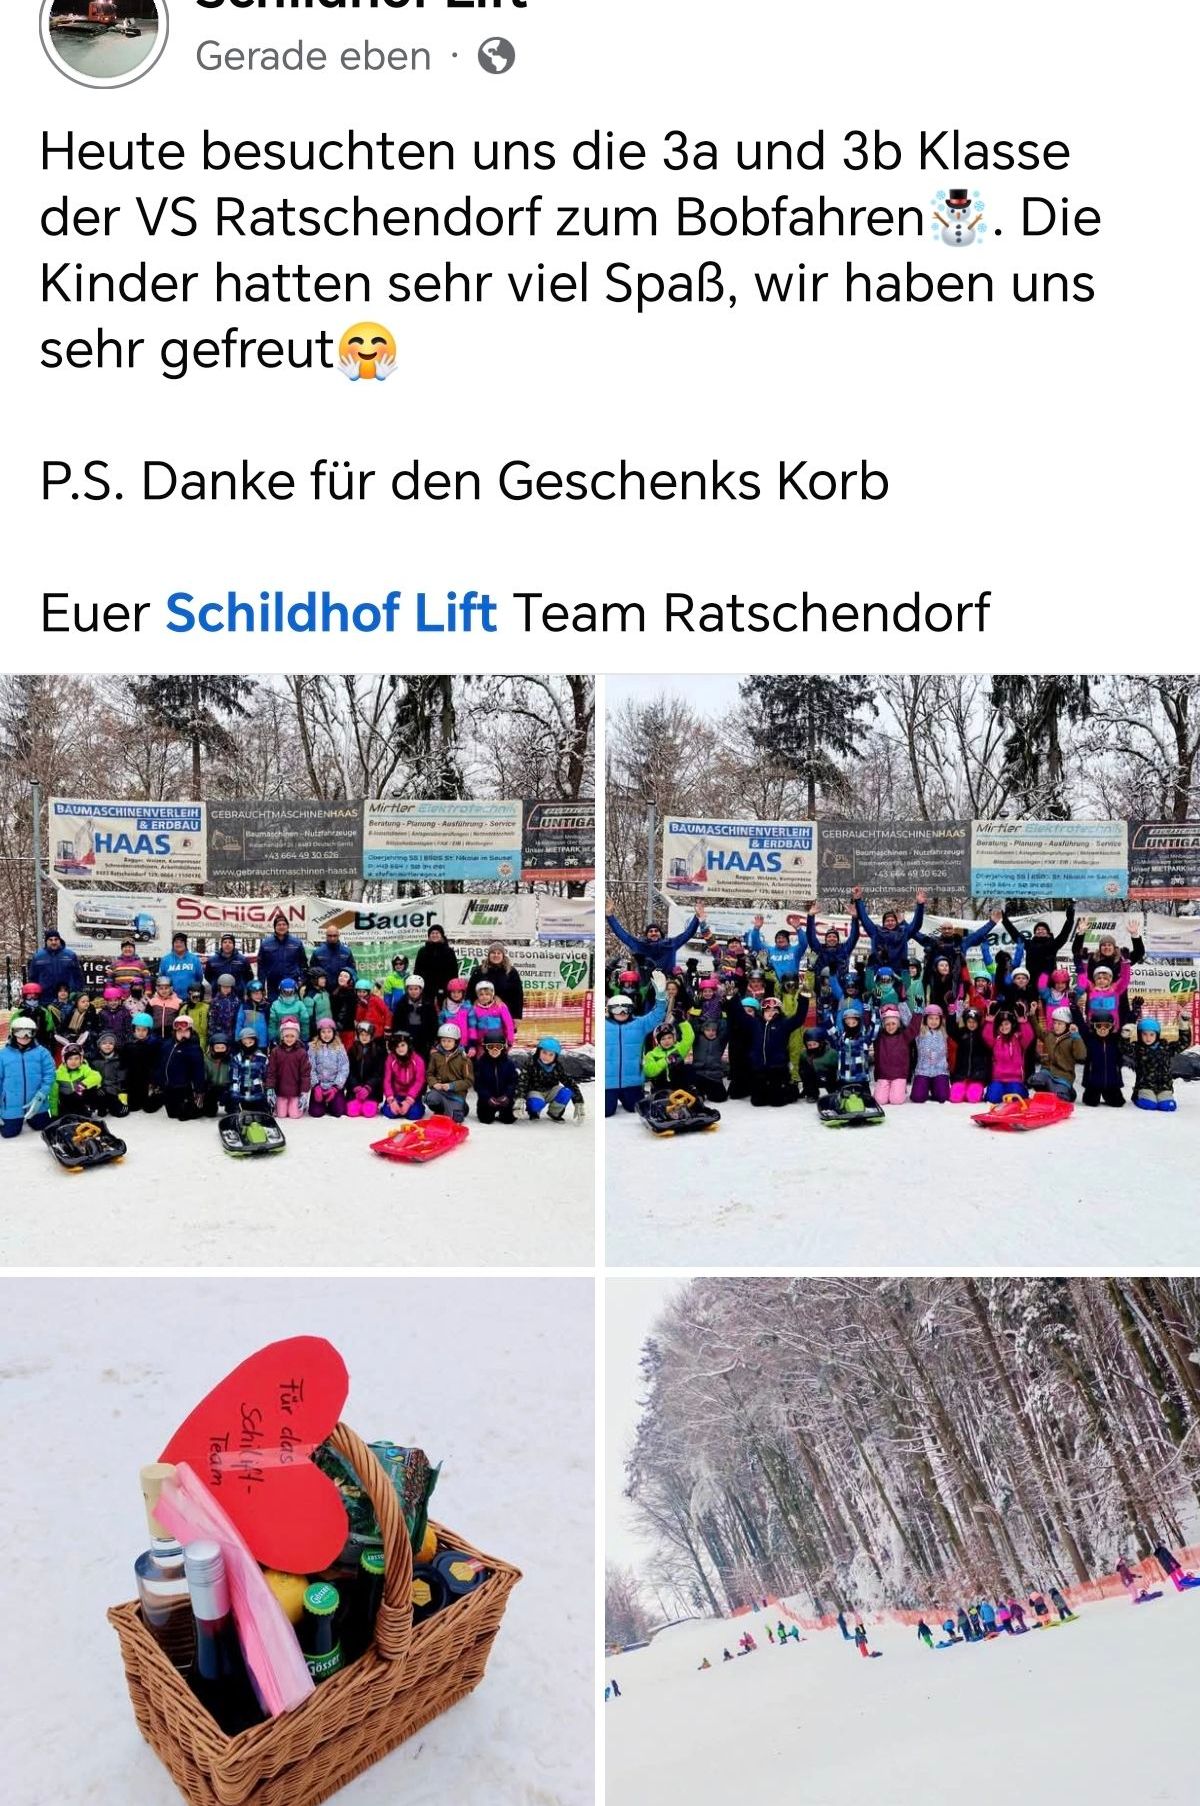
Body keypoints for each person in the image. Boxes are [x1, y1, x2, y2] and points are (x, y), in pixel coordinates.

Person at [605, 899, 707, 987]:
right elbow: (623, 935)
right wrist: (610, 916)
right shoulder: (640, 946)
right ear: (646, 935)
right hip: (647, 986)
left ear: (660, 934)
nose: (654, 933)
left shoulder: (671, 944)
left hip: (668, 985)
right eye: (650, 931)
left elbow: (687, 934)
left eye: (656, 931)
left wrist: (696, 918)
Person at [605, 977, 668, 1116]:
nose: (622, 1013)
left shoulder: (639, 1024)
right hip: (608, 1083)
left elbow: (657, 1015)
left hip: (632, 1080)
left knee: (636, 1109)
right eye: (617, 1009)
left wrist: (661, 996)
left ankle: (629, 1094)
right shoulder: (603, 1025)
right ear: (609, 1010)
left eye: (626, 1009)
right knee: (607, 1112)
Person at [726, 990, 801, 1107]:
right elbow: (740, 1014)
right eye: (767, 1010)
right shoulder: (755, 1023)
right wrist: (733, 998)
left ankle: (791, 1089)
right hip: (759, 1069)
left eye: (774, 1010)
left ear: (779, 1012)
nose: (771, 1013)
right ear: (762, 1012)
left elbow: (799, 1018)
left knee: (777, 1102)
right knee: (757, 1102)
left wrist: (804, 999)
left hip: (777, 1069)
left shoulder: (784, 1024)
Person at [1001, 900, 1076, 988]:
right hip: (1032, 982)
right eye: (1038, 929)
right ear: (1035, 933)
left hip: (1049, 983)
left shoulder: (1053, 945)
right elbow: (1015, 934)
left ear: (1048, 933)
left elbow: (1064, 933)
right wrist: (1005, 920)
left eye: (1043, 929)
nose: (1040, 931)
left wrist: (1070, 919)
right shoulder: (1029, 944)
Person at [853, 887, 926, 974]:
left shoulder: (903, 933)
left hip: (899, 974)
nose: (890, 922)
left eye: (892, 920)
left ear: (896, 922)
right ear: (883, 923)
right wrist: (858, 900)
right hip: (879, 974)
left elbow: (916, 925)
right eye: (887, 921)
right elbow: (865, 919)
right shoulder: (876, 932)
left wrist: (920, 905)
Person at [519, 1035, 586, 1121]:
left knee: (566, 1092)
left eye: (551, 1055)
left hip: (551, 1091)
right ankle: (534, 1112)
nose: (547, 1057)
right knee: (535, 1103)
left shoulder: (557, 1066)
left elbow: (569, 1082)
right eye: (544, 1052)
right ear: (538, 1051)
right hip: (535, 1092)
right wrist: (519, 1098)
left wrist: (579, 1102)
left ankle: (554, 1113)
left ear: (555, 1056)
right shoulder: (531, 1063)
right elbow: (522, 1081)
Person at [1030, 1005, 1086, 1101]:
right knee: (1036, 1081)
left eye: (1060, 1024)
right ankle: (1047, 1093)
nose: (1056, 1026)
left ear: (1067, 1025)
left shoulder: (1072, 1039)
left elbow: (1081, 1055)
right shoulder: (1050, 1035)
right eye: (1055, 1023)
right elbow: (1039, 1032)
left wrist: (1077, 1036)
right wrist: (1032, 1016)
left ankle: (1066, 1091)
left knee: (1060, 1096)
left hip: (1063, 1075)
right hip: (1048, 1072)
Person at [156, 1015, 207, 1120]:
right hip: (168, 1086)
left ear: (191, 1032)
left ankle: (200, 1107)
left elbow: (199, 1071)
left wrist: (199, 1089)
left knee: (182, 1116)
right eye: (179, 1031)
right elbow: (161, 1063)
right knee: (171, 1114)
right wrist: (158, 1080)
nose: (182, 1033)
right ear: (175, 1032)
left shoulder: (194, 1048)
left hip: (183, 1087)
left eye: (185, 1031)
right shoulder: (167, 1044)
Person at [982, 1008, 1034, 1102]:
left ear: (1012, 1025)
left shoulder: (1018, 1039)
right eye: (1001, 1025)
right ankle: (1001, 1091)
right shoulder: (996, 1039)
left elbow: (1029, 1036)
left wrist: (1022, 1021)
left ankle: (1017, 1091)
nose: (1004, 1027)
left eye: (1006, 1024)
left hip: (1015, 1079)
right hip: (998, 1079)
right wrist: (990, 1021)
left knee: (1015, 1097)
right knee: (993, 1098)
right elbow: (986, 1035)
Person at [424, 1022, 473, 1122]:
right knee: (431, 1099)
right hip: (440, 1091)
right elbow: (429, 1073)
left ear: (456, 1042)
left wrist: (452, 1086)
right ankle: (443, 1109)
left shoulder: (464, 1059)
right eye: (443, 1040)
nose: (446, 1043)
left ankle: (461, 1107)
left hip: (456, 1094)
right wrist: (434, 1083)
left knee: (456, 1119)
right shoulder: (435, 1056)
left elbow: (469, 1081)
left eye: (449, 1041)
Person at [466, 941, 526, 1021]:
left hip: (505, 1015)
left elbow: (518, 995)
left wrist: (517, 1017)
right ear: (489, 955)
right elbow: (470, 992)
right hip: (481, 1015)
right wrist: (469, 1010)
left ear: (503, 956)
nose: (496, 955)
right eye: (493, 953)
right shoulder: (479, 971)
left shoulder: (511, 972)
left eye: (499, 953)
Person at [256, 912, 309, 1001]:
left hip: (291, 982)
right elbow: (261, 966)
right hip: (273, 984)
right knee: (274, 1008)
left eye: (284, 924)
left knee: (291, 1009)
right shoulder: (266, 943)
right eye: (279, 925)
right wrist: (261, 985)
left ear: (287, 927)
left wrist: (302, 980)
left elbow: (303, 963)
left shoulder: (296, 943)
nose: (281, 927)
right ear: (275, 927)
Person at [804, 904, 860, 985]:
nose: (832, 938)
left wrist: (855, 918)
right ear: (826, 939)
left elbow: (854, 936)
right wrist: (811, 916)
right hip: (822, 987)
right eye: (829, 937)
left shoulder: (844, 949)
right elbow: (810, 936)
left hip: (841, 986)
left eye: (834, 937)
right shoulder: (820, 949)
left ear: (838, 939)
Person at [266, 1017, 311, 1118]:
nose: (289, 1039)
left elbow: (305, 1073)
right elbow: (271, 1072)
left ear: (297, 1037)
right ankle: (278, 1105)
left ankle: (299, 1106)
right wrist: (270, 1088)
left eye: (292, 1036)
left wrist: (304, 1091)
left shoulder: (301, 1052)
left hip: (295, 1091)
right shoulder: (276, 1052)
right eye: (286, 1036)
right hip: (280, 1090)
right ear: (282, 1036)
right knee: (281, 1115)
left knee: (294, 1115)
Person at [1130, 1016, 1177, 1112]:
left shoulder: (1165, 1048)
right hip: (1145, 1086)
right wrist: (1125, 1036)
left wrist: (1184, 1026)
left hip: (1164, 1086)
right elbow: (1124, 1048)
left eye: (1152, 1034)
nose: (1148, 1038)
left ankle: (1162, 1097)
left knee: (1168, 1106)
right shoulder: (1138, 1048)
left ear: (1157, 1035)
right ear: (1140, 1035)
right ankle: (1138, 1097)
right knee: (1149, 1104)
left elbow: (1183, 1043)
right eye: (1145, 1034)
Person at [907, 1003, 951, 1103]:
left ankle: (935, 1087)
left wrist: (956, 1004)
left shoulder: (944, 1031)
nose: (934, 1021)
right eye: (931, 1018)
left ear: (941, 1020)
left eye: (937, 1018)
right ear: (925, 1019)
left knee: (943, 1097)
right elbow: (908, 1021)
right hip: (923, 1071)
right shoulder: (920, 1031)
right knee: (917, 1098)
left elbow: (954, 1020)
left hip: (940, 1071)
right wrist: (916, 1009)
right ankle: (925, 1086)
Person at [472, 1032, 520, 1124]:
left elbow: (513, 1082)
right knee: (486, 1119)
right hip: (488, 1100)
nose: (494, 1050)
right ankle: (488, 1110)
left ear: (503, 1047)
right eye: (490, 1047)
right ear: (485, 1047)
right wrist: (487, 1097)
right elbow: (478, 1084)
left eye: (498, 1047)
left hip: (504, 1099)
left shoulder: (509, 1063)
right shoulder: (480, 1064)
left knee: (509, 1119)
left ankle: (504, 1112)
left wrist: (507, 1096)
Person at [948, 1002, 990, 1103]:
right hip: (961, 1075)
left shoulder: (982, 1035)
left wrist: (989, 1020)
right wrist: (952, 1014)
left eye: (974, 1022)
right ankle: (963, 1087)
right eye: (969, 1021)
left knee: (973, 1098)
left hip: (977, 1076)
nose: (972, 1024)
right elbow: (951, 1030)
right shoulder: (961, 1033)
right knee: (955, 1098)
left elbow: (990, 1036)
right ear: (966, 1022)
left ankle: (975, 1089)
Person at [308, 1017, 350, 1119]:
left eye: (329, 1032)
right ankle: (320, 1103)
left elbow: (344, 1068)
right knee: (316, 1113)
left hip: (334, 1086)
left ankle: (333, 1101)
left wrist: (336, 1087)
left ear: (333, 1032)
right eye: (323, 1032)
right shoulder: (313, 1047)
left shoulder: (339, 1047)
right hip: (319, 1086)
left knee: (338, 1111)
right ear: (319, 1033)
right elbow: (310, 1067)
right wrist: (316, 1086)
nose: (326, 1035)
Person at [380, 1029, 426, 1120]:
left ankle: (418, 1106)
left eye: (403, 1045)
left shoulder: (417, 1060)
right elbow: (387, 1080)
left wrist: (409, 1101)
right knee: (390, 1113)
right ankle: (392, 1106)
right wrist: (391, 1100)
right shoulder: (390, 1059)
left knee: (414, 1115)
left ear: (408, 1045)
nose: (400, 1049)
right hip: (396, 1094)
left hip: (412, 1095)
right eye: (397, 1046)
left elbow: (419, 1081)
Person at [27, 928, 85, 1001]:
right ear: (46, 941)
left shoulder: (70, 955)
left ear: (59, 940)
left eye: (56, 939)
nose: (53, 942)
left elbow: (78, 976)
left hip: (66, 998)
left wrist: (77, 992)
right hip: (45, 998)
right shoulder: (38, 957)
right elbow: (33, 978)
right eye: (50, 940)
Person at [871, 1003, 912, 1105]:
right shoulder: (879, 1037)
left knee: (896, 1100)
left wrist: (918, 1011)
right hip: (884, 1075)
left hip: (899, 1075)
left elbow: (914, 1027)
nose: (890, 1027)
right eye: (887, 1024)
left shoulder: (904, 1036)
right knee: (879, 1100)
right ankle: (889, 1088)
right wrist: (874, 1007)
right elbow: (871, 1024)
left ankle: (900, 1088)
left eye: (893, 1024)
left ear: (898, 1024)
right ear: (884, 1025)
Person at [389, 974, 439, 1057]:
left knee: (422, 1058)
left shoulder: (428, 1003)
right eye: (410, 989)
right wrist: (396, 1036)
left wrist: (432, 1040)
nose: (413, 992)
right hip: (406, 1035)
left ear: (421, 990)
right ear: (407, 990)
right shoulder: (402, 1003)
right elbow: (396, 1022)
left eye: (416, 989)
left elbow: (433, 1023)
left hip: (423, 1036)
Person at [227, 1027, 272, 1117]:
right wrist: (235, 1093)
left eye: (250, 1042)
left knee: (262, 1113)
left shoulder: (262, 1058)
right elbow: (234, 1078)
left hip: (258, 1093)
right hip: (242, 1094)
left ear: (255, 1042)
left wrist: (269, 1093)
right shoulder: (237, 1059)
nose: (248, 1045)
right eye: (245, 1043)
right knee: (236, 1111)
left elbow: (267, 1076)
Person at [345, 1020, 385, 1117]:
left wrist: (368, 1087)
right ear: (358, 1035)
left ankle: (371, 1102)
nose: (364, 1037)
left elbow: (378, 1073)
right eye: (362, 1034)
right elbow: (349, 1071)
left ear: (371, 1036)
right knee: (352, 1112)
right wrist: (355, 1086)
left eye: (367, 1035)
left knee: (368, 1113)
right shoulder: (352, 1050)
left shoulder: (378, 1051)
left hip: (372, 1090)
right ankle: (356, 1100)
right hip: (355, 1089)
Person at [123, 1014, 160, 1112]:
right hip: (132, 1078)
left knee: (148, 1108)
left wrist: (153, 1080)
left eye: (144, 1030)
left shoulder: (152, 1045)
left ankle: (159, 1097)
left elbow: (155, 1063)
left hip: (146, 1079)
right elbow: (124, 1063)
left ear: (148, 1031)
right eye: (138, 1030)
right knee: (133, 1107)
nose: (141, 1033)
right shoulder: (128, 1045)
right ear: (134, 1030)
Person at [54, 1041, 102, 1118]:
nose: (73, 1062)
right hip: (66, 1101)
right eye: (70, 1059)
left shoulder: (84, 1069)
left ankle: (88, 1108)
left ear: (81, 1059)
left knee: (93, 1088)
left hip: (80, 1100)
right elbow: (53, 1094)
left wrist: (82, 1085)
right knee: (65, 1117)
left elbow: (96, 1076)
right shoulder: (58, 1073)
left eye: (76, 1058)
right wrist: (54, 1112)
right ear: (64, 1060)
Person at [413, 924, 459, 1001]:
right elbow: (417, 969)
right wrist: (418, 985)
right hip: (426, 987)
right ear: (429, 936)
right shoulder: (422, 951)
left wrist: (452, 986)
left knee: (443, 1008)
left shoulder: (449, 951)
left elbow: (454, 971)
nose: (434, 935)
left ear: (441, 935)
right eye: (432, 933)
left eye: (437, 933)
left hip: (444, 986)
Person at [689, 1018, 729, 1102]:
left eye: (713, 1030)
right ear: (703, 1029)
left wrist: (725, 1016)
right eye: (708, 1030)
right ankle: (700, 1092)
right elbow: (692, 1028)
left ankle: (706, 1091)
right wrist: (694, 1015)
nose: (711, 1032)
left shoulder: (720, 1040)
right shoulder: (697, 1039)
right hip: (699, 1074)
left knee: (721, 1097)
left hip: (714, 1076)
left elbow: (726, 1030)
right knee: (694, 1097)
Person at [91, 1028, 128, 1117]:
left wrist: (121, 1093)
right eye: (104, 1043)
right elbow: (91, 1077)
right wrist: (97, 1087)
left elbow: (121, 1079)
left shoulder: (119, 1059)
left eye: (111, 1043)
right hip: (100, 1091)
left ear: (114, 1045)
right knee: (101, 1113)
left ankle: (112, 1105)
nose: (108, 1045)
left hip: (113, 1091)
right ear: (99, 1045)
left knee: (121, 1113)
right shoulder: (94, 1060)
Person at [158, 932, 205, 1001]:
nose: (178, 944)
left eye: (181, 942)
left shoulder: (194, 959)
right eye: (176, 942)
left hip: (190, 999)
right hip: (170, 999)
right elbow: (161, 978)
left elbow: (199, 978)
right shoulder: (165, 960)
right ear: (173, 944)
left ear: (185, 944)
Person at [470, 978, 516, 1048]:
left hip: (498, 1042)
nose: (484, 997)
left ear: (492, 994)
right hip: (482, 1043)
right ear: (477, 995)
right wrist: (473, 1044)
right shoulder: (475, 1008)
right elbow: (472, 1027)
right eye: (481, 995)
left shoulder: (500, 1006)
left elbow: (509, 1024)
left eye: (487, 994)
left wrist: (510, 1041)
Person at [309, 923, 357, 990]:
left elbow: (353, 970)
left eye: (335, 936)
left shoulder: (347, 952)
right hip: (323, 989)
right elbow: (312, 971)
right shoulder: (318, 952)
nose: (332, 938)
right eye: (330, 936)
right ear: (326, 936)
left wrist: (351, 981)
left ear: (338, 935)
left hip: (341, 989)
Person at [235, 977, 271, 1050]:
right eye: (255, 993)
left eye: (260, 993)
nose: (258, 996)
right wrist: (237, 1038)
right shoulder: (244, 1006)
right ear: (249, 994)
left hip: (262, 1042)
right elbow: (239, 1023)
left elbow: (270, 1024)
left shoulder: (266, 1006)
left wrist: (270, 1040)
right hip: (247, 1041)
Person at [208, 973, 242, 1047]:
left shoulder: (236, 1001)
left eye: (228, 987)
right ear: (220, 987)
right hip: (219, 1033)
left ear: (232, 988)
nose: (226, 989)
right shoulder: (215, 1001)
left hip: (233, 1032)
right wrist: (212, 1035)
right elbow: (212, 1019)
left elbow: (239, 1018)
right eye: (224, 987)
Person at [204, 1032, 233, 1117]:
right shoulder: (206, 1060)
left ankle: (230, 1106)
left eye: (222, 1048)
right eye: (217, 1048)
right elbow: (204, 1075)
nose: (220, 1050)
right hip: (212, 1087)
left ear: (227, 1048)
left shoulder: (231, 1060)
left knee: (232, 1109)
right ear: (212, 1048)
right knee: (209, 1112)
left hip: (227, 1087)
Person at [329, 967, 359, 1045]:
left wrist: (338, 1027)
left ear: (351, 980)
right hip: (335, 1028)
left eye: (345, 976)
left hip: (346, 1030)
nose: (342, 978)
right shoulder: (336, 991)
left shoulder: (350, 994)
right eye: (340, 975)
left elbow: (345, 1013)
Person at [148, 975, 181, 1040]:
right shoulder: (152, 1002)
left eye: (166, 988)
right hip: (155, 1035)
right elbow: (148, 1017)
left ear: (171, 988)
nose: (164, 991)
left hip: (171, 1035)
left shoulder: (178, 1002)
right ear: (157, 989)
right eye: (161, 988)